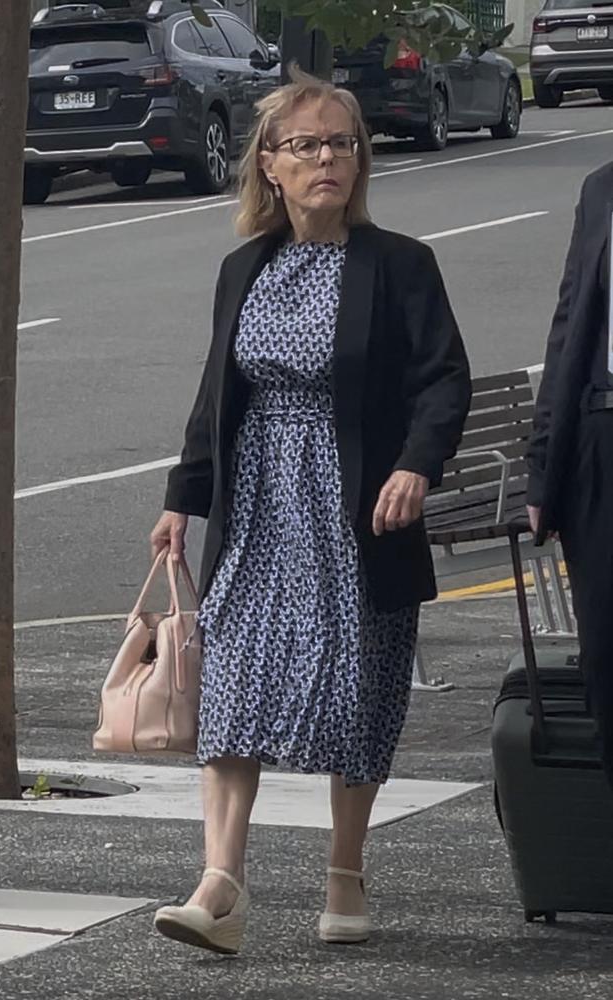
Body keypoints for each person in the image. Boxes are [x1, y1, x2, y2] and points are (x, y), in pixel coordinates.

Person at [149, 69, 471, 956]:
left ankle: (345, 870)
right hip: (257, 506)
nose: (326, 158)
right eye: (306, 145)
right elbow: (217, 393)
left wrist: (416, 467)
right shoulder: (244, 267)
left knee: (355, 689)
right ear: (271, 164)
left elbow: (444, 379)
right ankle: (220, 886)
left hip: (358, 508)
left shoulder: (400, 264)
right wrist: (184, 500)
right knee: (236, 679)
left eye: (341, 143)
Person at [527, 161, 613, 788]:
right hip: (600, 437)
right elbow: (568, 328)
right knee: (606, 660)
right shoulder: (602, 188)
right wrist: (543, 461)